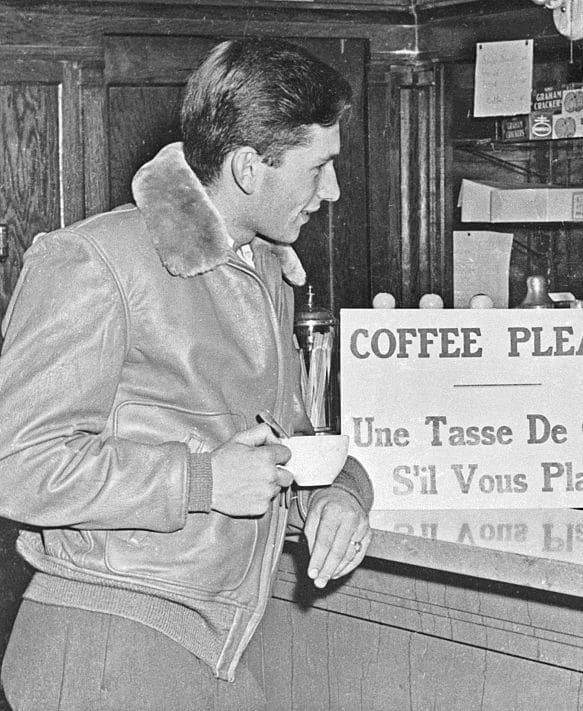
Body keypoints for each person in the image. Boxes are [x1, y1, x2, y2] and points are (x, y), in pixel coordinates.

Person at [0, 38, 374, 709]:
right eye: (319, 168)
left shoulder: (263, 272)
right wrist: (203, 479)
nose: (334, 191)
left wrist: (338, 494)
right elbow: (14, 464)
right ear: (248, 168)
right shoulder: (93, 261)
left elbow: (282, 446)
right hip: (105, 641)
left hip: (200, 644)